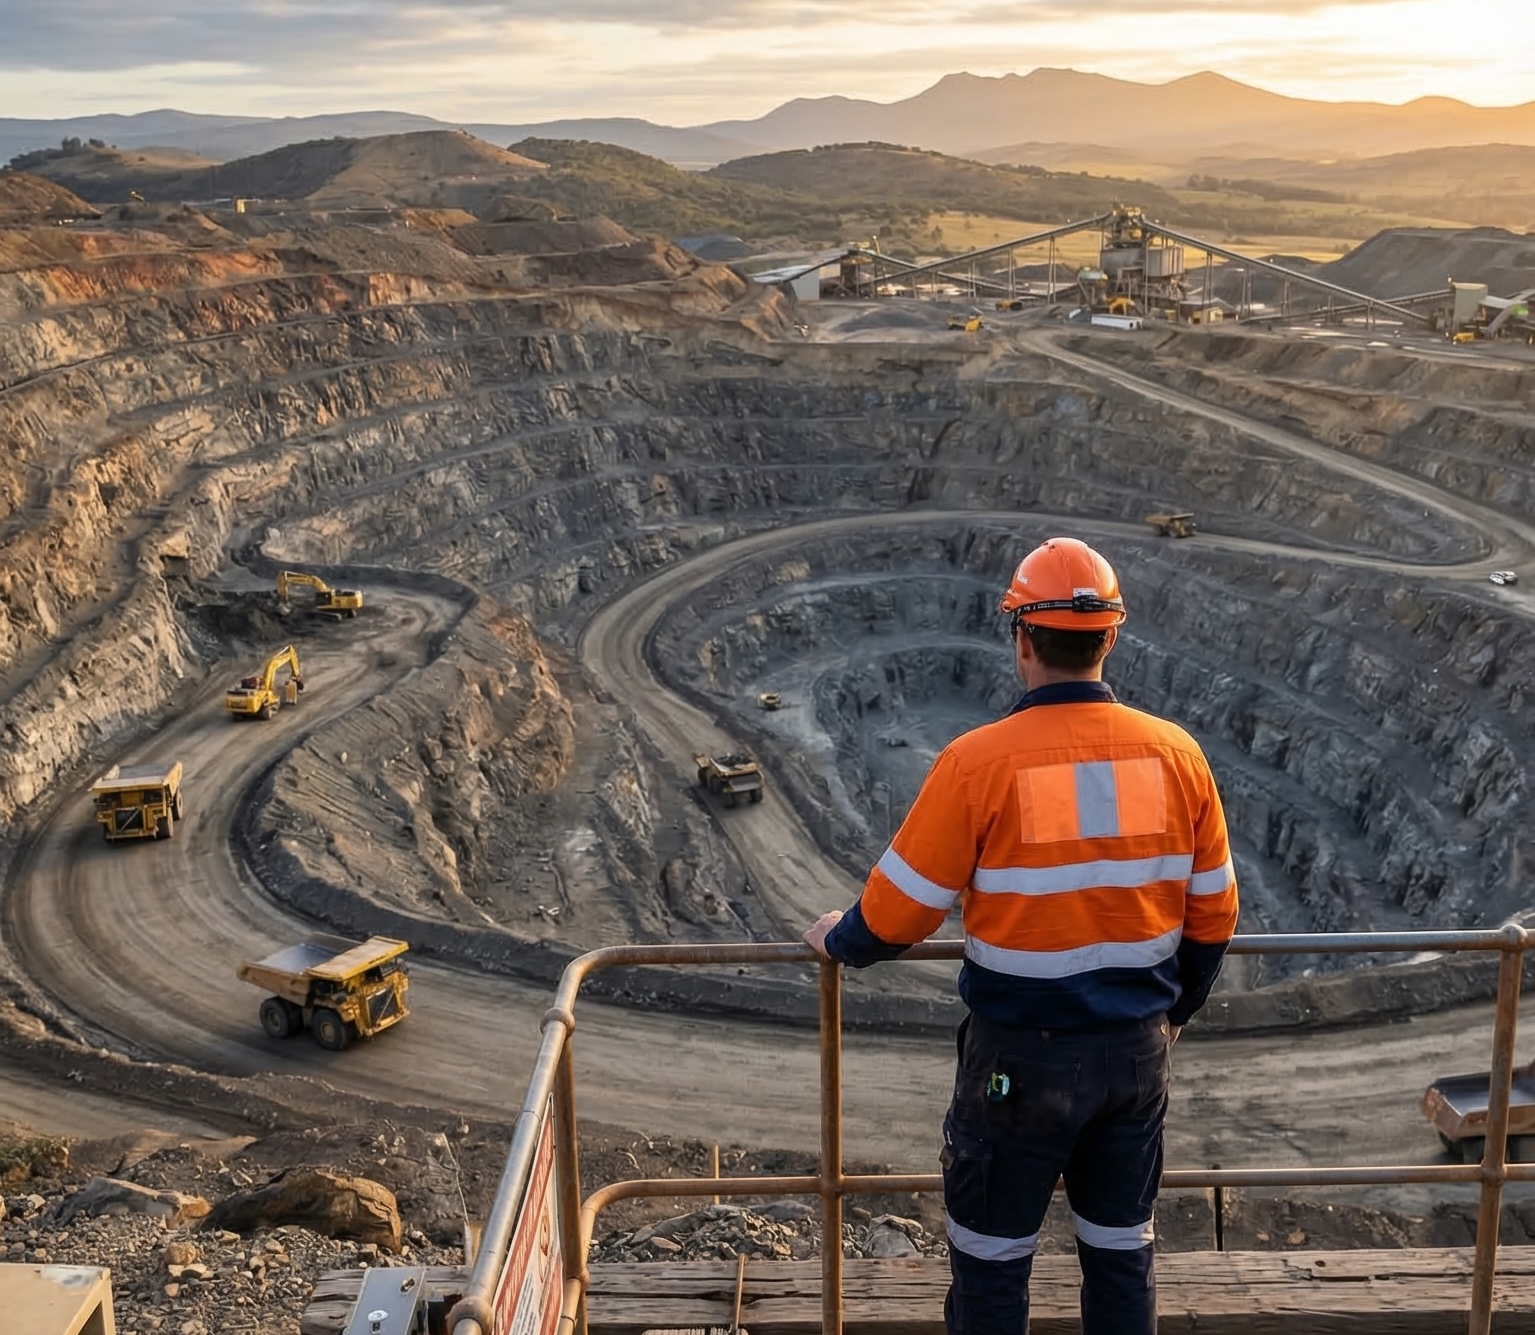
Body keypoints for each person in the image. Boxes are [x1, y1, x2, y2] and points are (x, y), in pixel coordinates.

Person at [804, 536, 1239, 1335]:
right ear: (1108, 638)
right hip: (1134, 1052)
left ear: (1022, 640)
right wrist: (1173, 1012)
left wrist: (842, 940)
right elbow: (1214, 914)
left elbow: (901, 911)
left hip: (1018, 1060)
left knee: (992, 1261)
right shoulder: (1177, 755)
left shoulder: (978, 762)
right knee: (1120, 1252)